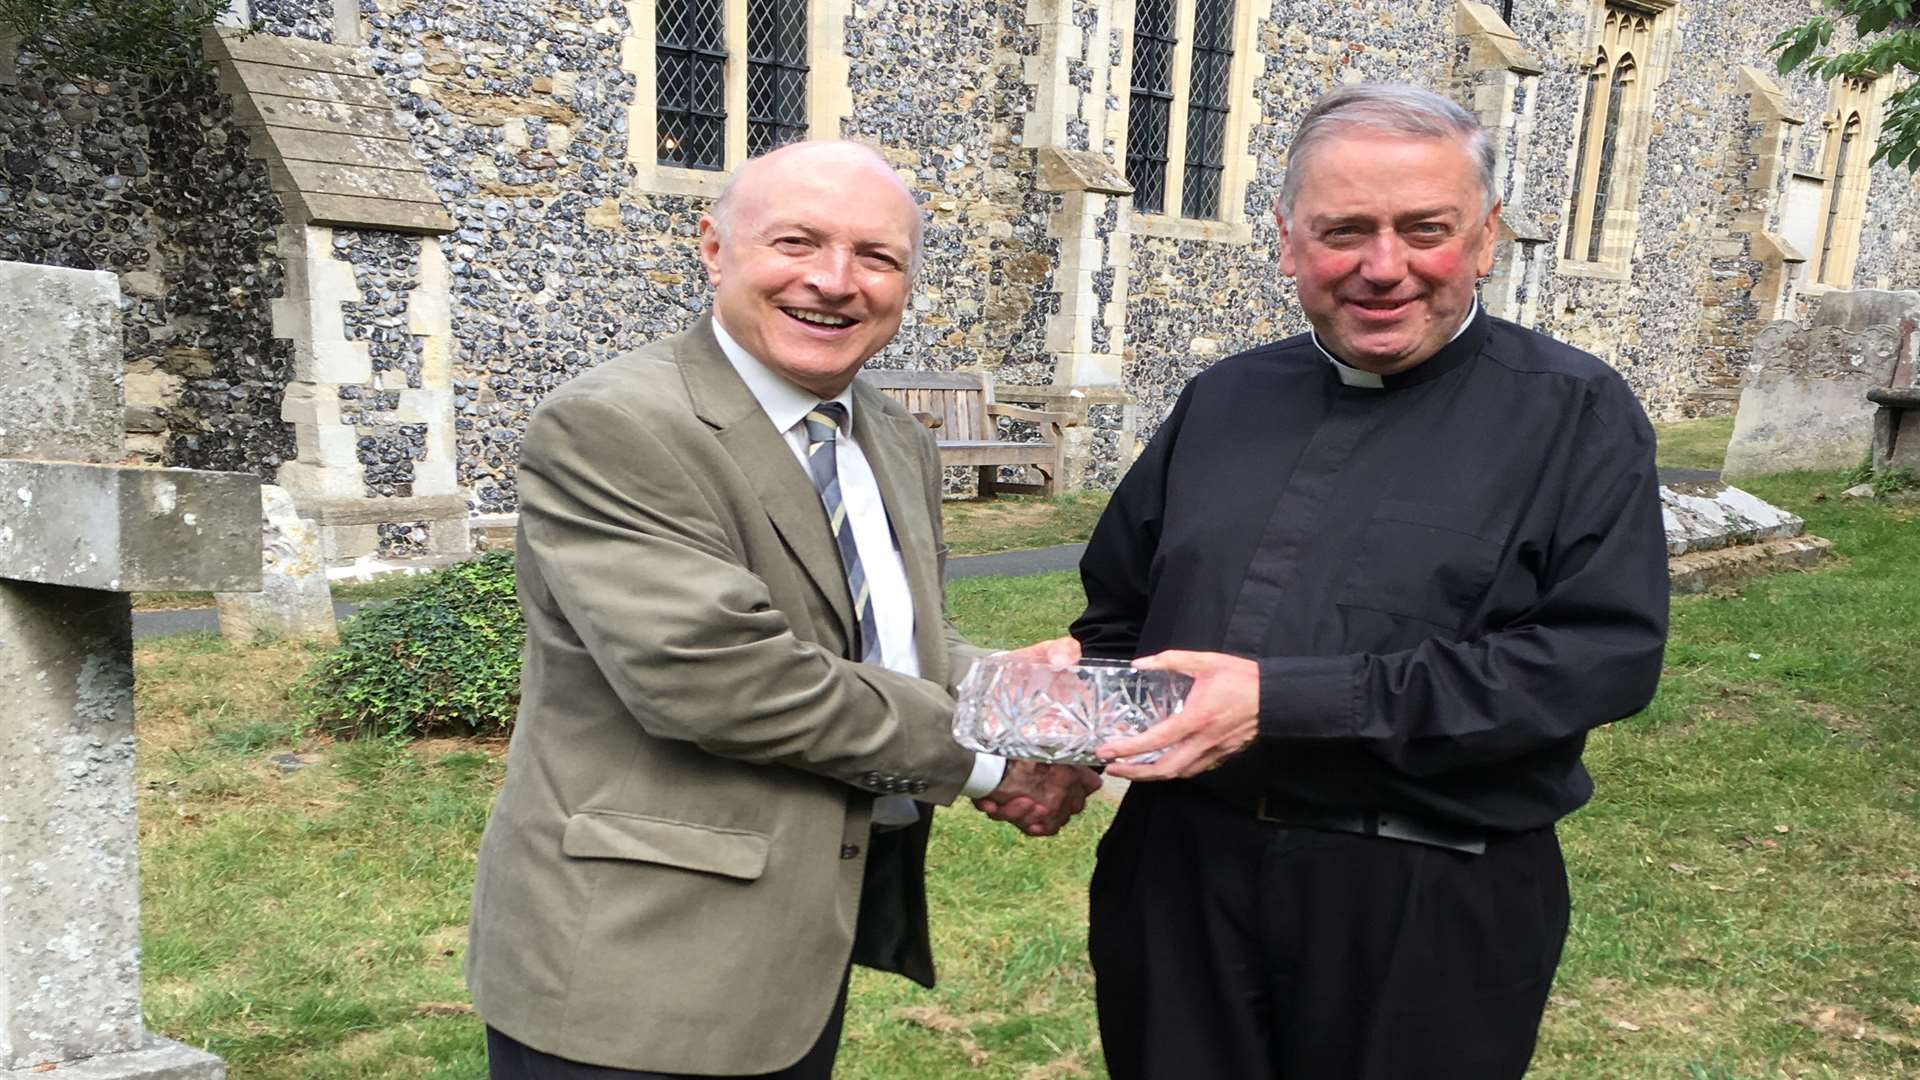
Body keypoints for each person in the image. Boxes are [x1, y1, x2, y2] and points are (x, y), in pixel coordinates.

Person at [1049, 84, 1671, 1078]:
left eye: (1425, 230)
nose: (1385, 268)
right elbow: (1121, 610)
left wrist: (1282, 700)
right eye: (1344, 232)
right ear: (1290, 240)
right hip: (1180, 886)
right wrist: (1069, 720)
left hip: (1429, 898)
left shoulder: (1575, 414)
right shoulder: (1223, 399)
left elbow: (1594, 663)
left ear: (1485, 238)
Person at [466, 139, 1100, 1080]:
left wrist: (1036, 702)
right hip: (634, 971)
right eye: (797, 242)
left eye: (876, 257)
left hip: (793, 952)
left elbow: (883, 638)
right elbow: (724, 679)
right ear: (714, 248)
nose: (836, 282)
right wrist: (990, 758)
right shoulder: (616, 425)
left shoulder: (888, 436)